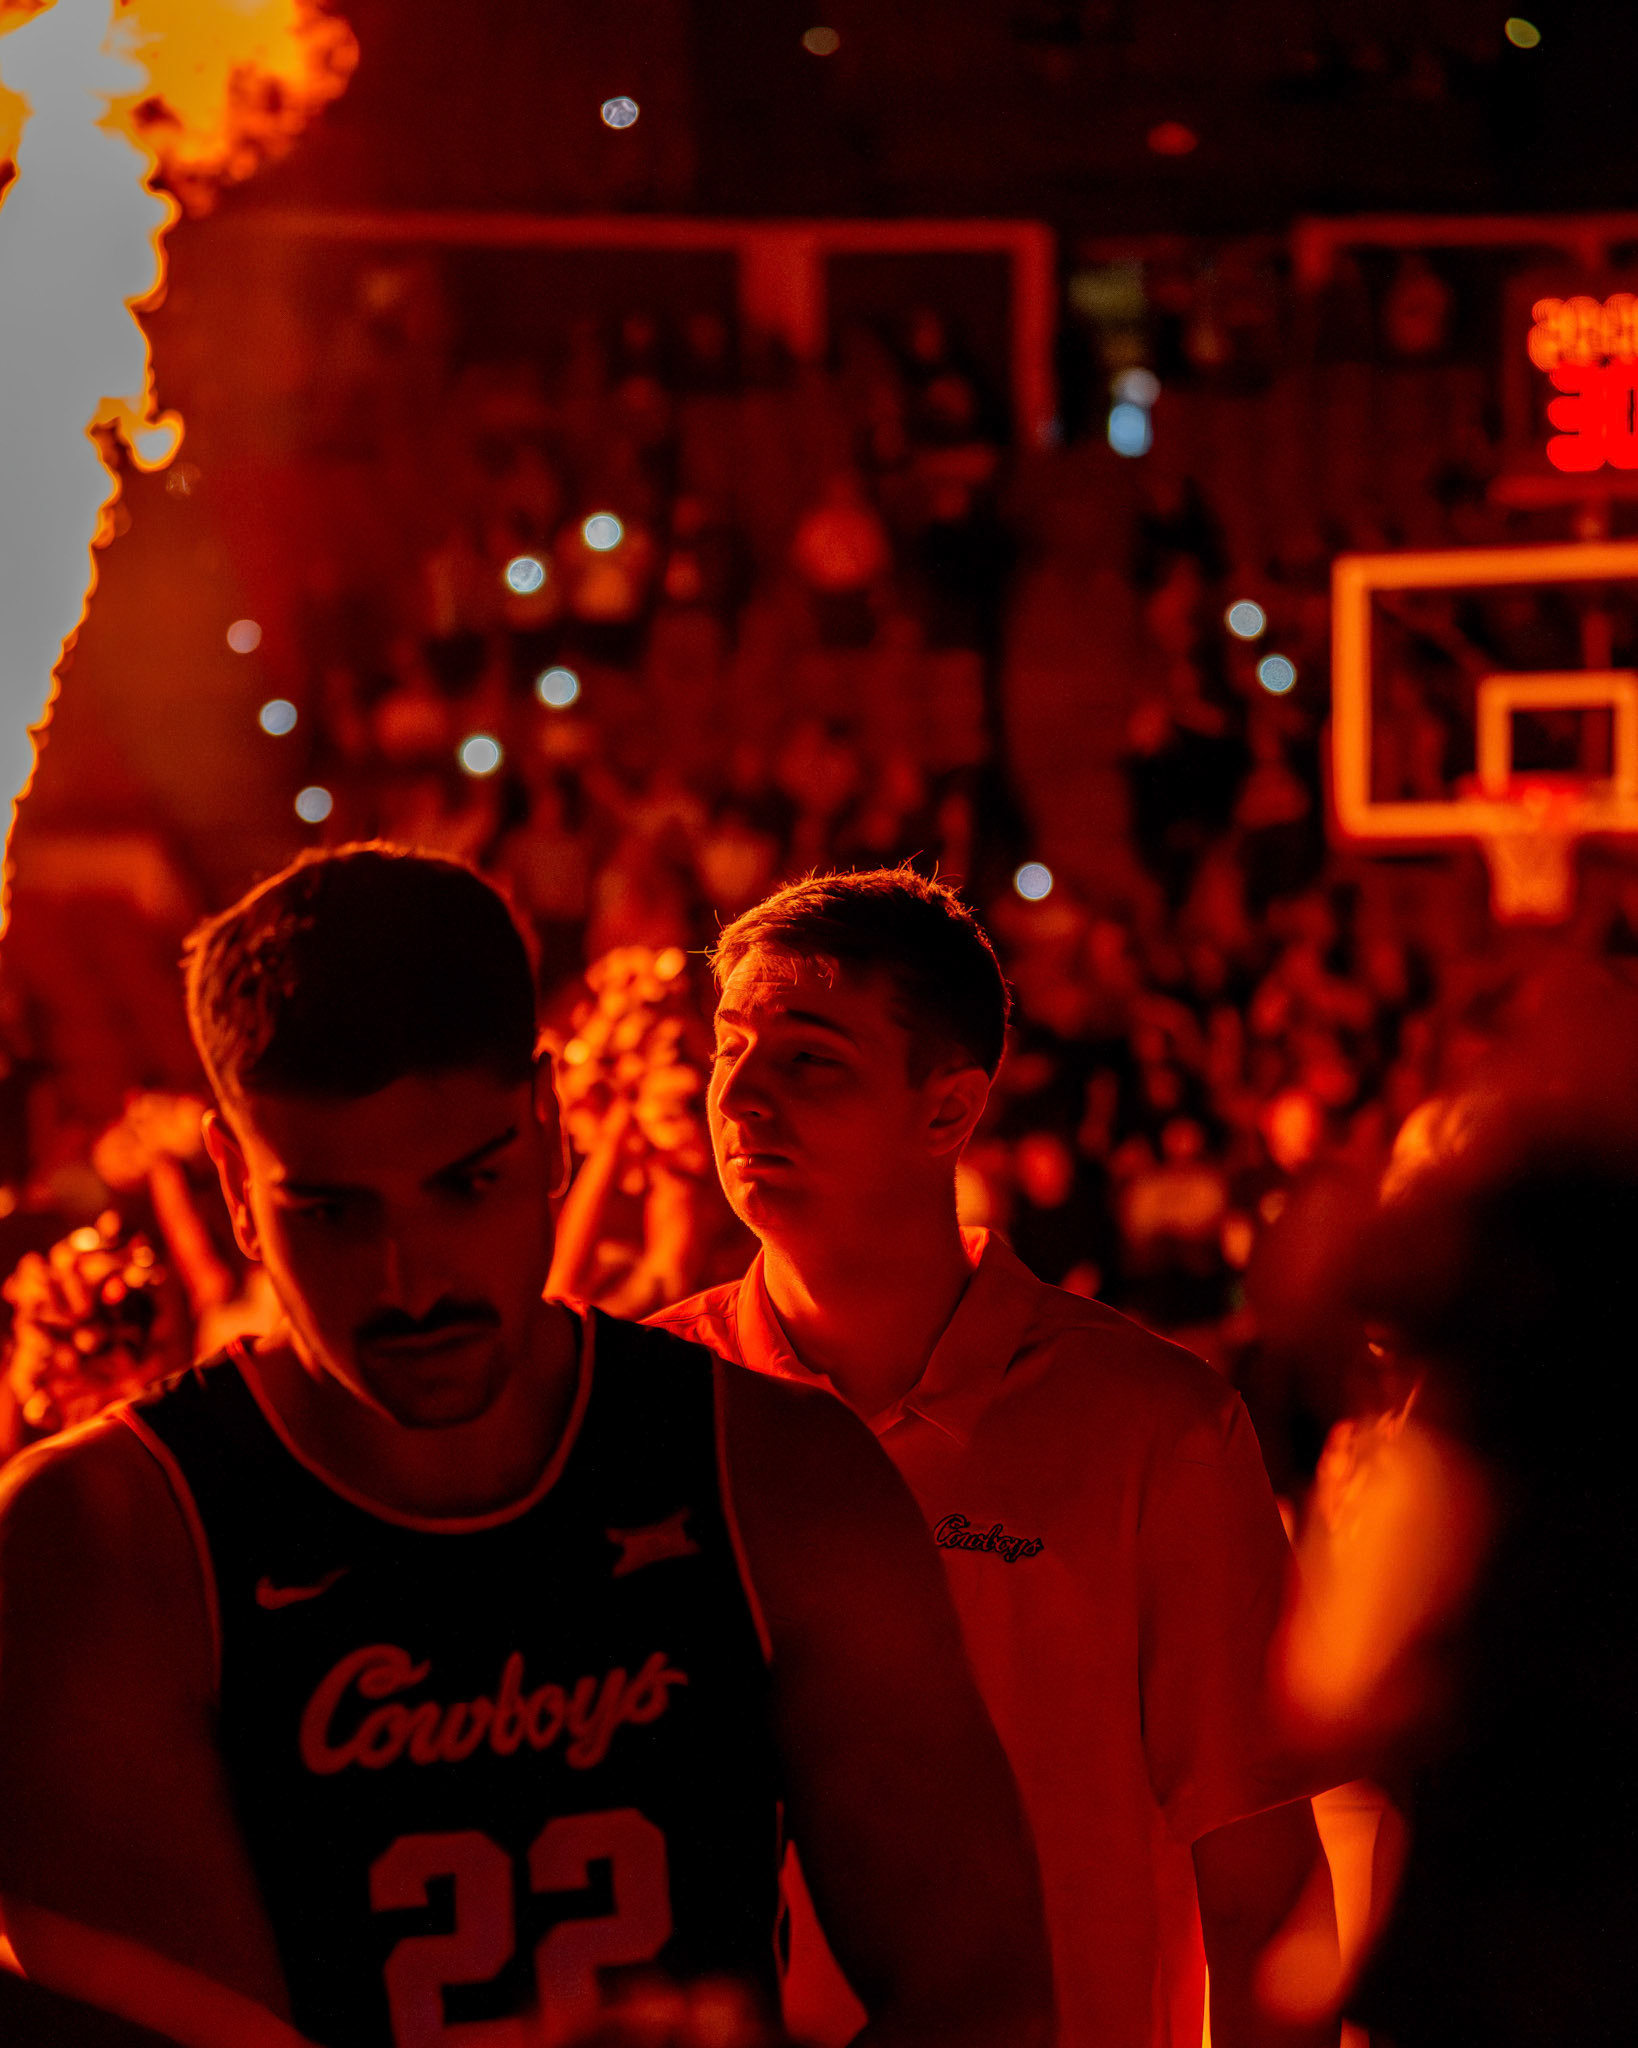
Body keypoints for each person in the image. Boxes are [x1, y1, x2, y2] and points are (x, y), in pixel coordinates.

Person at [0, 846, 1053, 2048]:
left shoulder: (778, 1474)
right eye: (334, 1211)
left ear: (551, 1128)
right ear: (237, 1184)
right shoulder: (103, 1544)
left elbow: (988, 1994)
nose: (413, 1281)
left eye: (467, 1182)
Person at [652, 867, 1339, 2048]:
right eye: (728, 1049)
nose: (743, 1096)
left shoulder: (1154, 1431)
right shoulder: (655, 1404)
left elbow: (1263, 1889)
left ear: (949, 1110)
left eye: (809, 1058)